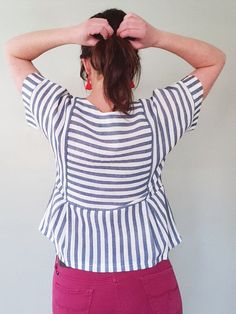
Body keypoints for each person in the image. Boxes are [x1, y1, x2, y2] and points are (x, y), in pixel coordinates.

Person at [4, 7, 226, 314]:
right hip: (149, 281)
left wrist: (71, 33)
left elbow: (14, 52)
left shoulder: (59, 115)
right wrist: (157, 37)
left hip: (79, 283)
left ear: (86, 64)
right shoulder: (158, 116)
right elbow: (214, 58)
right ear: (132, 66)